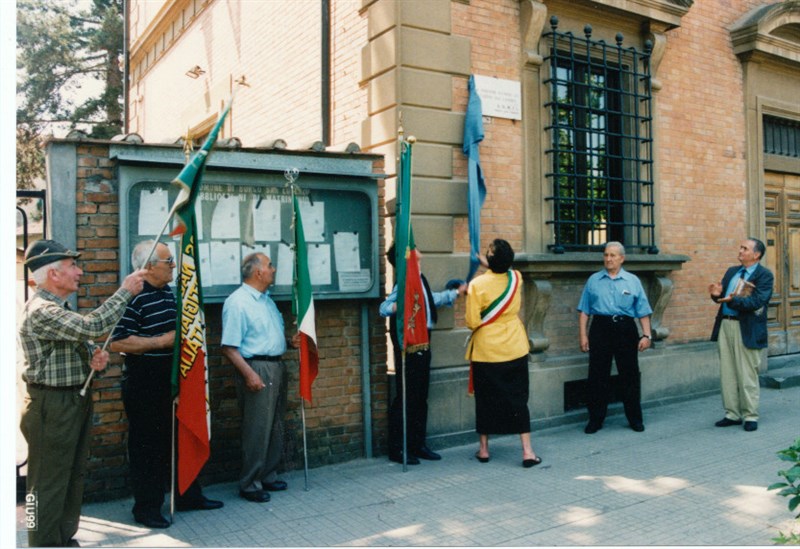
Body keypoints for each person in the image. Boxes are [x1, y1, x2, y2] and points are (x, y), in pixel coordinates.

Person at [19, 239, 145, 547]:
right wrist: (126, 290)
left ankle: (63, 537)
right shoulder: (42, 310)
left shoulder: (58, 308)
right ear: (53, 275)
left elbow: (80, 341)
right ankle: (41, 542)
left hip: (70, 400)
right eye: (73, 266)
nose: (80, 272)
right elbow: (91, 326)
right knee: (43, 484)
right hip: (52, 405)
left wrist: (92, 360)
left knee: (72, 475)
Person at [109, 240, 223, 529]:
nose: (174, 265)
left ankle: (187, 494)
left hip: (173, 375)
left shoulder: (169, 293)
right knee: (148, 445)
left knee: (179, 435)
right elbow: (117, 340)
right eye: (168, 261)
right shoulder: (132, 296)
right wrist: (161, 341)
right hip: (145, 378)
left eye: (172, 260)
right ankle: (146, 508)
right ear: (148, 266)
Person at [221, 253, 299, 503]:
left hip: (275, 366)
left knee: (274, 424)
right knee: (257, 427)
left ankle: (268, 474)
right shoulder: (238, 303)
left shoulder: (266, 301)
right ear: (257, 273)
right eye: (269, 266)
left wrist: (288, 342)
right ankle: (249, 483)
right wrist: (249, 374)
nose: (273, 270)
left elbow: (264, 337)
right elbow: (229, 347)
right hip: (256, 368)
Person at [380, 242, 466, 465]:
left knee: (420, 397)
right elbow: (383, 308)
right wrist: (397, 307)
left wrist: (454, 293)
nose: (418, 249)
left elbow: (431, 301)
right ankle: (398, 449)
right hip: (409, 346)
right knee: (406, 397)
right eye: (412, 248)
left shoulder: (421, 279)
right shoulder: (405, 283)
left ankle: (418, 444)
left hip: (424, 342)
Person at [465, 239, 541, 468]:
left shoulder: (476, 285)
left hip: (486, 351)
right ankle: (527, 451)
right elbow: (503, 271)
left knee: (485, 400)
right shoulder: (516, 278)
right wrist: (491, 264)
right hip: (515, 347)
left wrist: (485, 265)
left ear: (489, 261)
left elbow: (471, 321)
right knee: (519, 400)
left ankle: (484, 449)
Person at [577, 241, 653, 434]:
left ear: (622, 258)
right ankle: (595, 419)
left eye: (612, 255)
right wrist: (583, 335)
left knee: (629, 375)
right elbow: (584, 311)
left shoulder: (632, 281)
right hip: (600, 328)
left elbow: (642, 310)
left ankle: (635, 419)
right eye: (606, 255)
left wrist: (647, 335)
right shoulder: (594, 280)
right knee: (597, 375)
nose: (608, 259)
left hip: (625, 329)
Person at [708, 237, 774, 432]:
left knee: (747, 373)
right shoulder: (732, 272)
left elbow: (756, 302)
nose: (740, 250)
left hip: (747, 328)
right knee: (728, 373)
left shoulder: (764, 276)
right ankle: (732, 414)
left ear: (756, 254)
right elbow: (723, 299)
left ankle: (750, 415)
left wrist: (730, 301)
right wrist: (716, 295)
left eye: (745, 248)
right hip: (726, 326)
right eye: (741, 247)